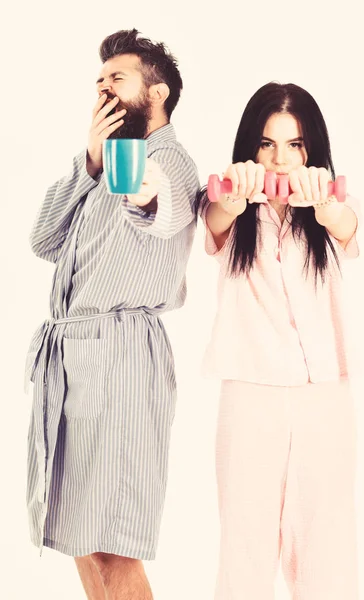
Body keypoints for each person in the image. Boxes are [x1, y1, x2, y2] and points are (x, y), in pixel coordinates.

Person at [25, 29, 199, 600]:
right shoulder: (100, 166)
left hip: (122, 358)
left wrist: (141, 191)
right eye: (98, 79)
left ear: (159, 91)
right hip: (73, 359)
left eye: (116, 77)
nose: (102, 87)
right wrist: (91, 163)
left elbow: (164, 206)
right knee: (77, 528)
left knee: (115, 539)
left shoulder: (169, 160)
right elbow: (43, 240)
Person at [197, 82, 361, 600]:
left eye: (294, 145)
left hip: (323, 394)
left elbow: (347, 225)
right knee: (245, 550)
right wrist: (235, 197)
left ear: (311, 148)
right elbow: (215, 218)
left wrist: (322, 206)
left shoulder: (330, 201)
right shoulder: (229, 195)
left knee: (327, 551)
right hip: (251, 391)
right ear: (251, 146)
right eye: (267, 144)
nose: (281, 158)